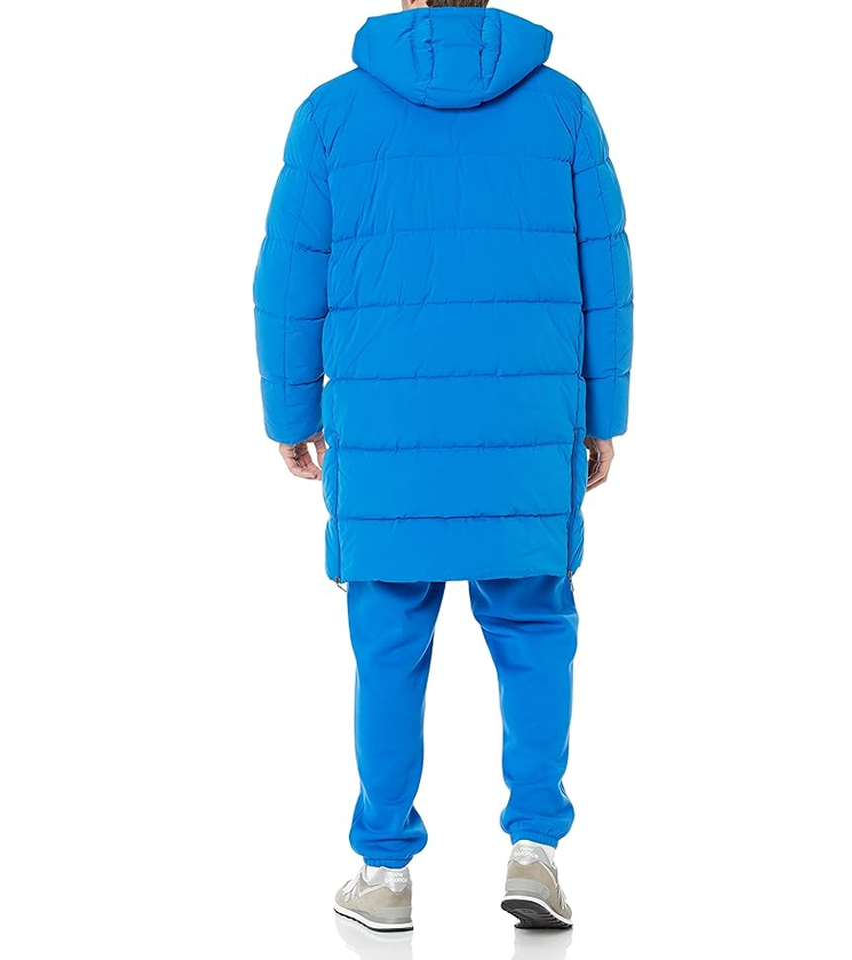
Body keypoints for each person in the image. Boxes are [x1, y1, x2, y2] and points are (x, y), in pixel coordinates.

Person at [254, 0, 633, 934]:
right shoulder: (563, 108)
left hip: (384, 428)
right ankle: (535, 849)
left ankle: (383, 871)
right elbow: (607, 273)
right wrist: (603, 415)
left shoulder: (331, 113)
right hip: (526, 421)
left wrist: (290, 412)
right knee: (535, 629)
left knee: (386, 642)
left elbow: (288, 277)